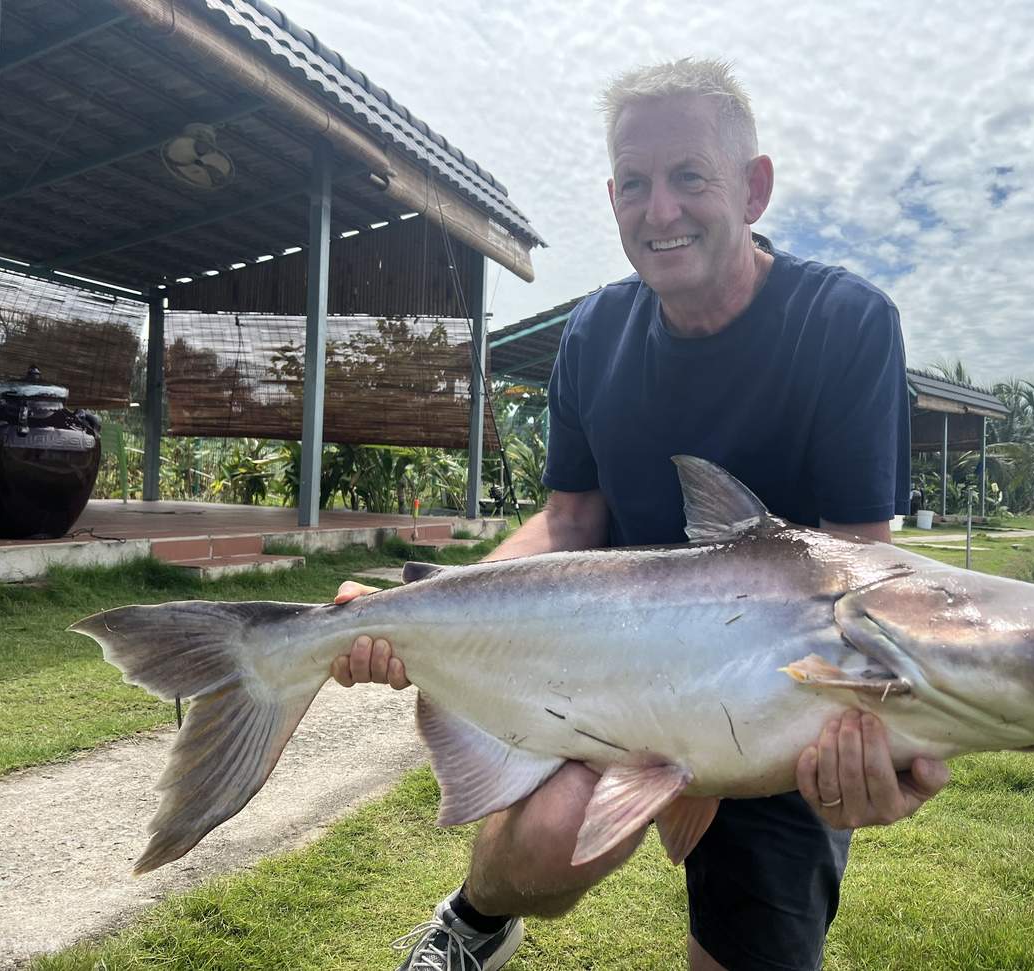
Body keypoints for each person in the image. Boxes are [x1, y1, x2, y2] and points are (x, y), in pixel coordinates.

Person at [333, 58, 951, 971]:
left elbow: (861, 569)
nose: (658, 210)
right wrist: (418, 605)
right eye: (634, 183)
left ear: (753, 188)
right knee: (542, 844)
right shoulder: (594, 334)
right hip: (616, 670)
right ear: (612, 195)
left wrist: (878, 738)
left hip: (779, 700)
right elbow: (567, 523)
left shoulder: (845, 323)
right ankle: (472, 921)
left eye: (689, 177)